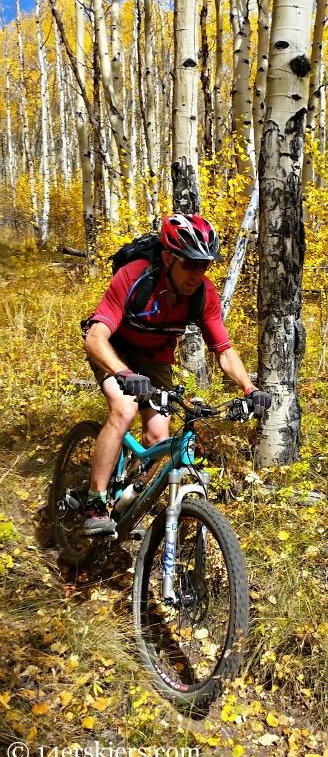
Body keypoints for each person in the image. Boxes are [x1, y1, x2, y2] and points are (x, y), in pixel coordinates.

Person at [83, 213, 271, 535]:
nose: (197, 274)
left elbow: (224, 351)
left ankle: (131, 498)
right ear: (168, 258)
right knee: (124, 408)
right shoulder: (134, 277)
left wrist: (249, 389)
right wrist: (123, 373)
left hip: (155, 358)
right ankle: (95, 504)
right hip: (114, 350)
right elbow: (95, 337)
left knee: (160, 439)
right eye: (189, 263)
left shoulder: (203, 295)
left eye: (204, 265)